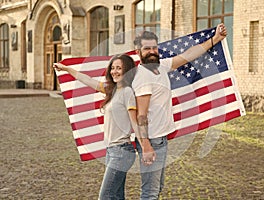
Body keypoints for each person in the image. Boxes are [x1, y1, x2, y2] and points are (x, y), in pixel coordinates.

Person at [132, 23, 227, 199]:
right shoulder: (143, 76)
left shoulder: (159, 67)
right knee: (150, 192)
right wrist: (145, 145)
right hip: (151, 140)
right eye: (147, 48)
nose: (152, 51)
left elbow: (186, 57)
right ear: (138, 52)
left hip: (160, 139)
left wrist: (215, 40)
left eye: (154, 47)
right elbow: (141, 115)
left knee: (156, 188)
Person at [53, 54, 139, 200]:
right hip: (112, 150)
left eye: (119, 68)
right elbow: (88, 80)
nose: (114, 71)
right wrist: (67, 69)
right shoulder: (112, 90)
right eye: (112, 68)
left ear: (127, 71)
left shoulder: (127, 92)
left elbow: (135, 123)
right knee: (117, 196)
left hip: (122, 151)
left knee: (105, 196)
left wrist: (146, 148)